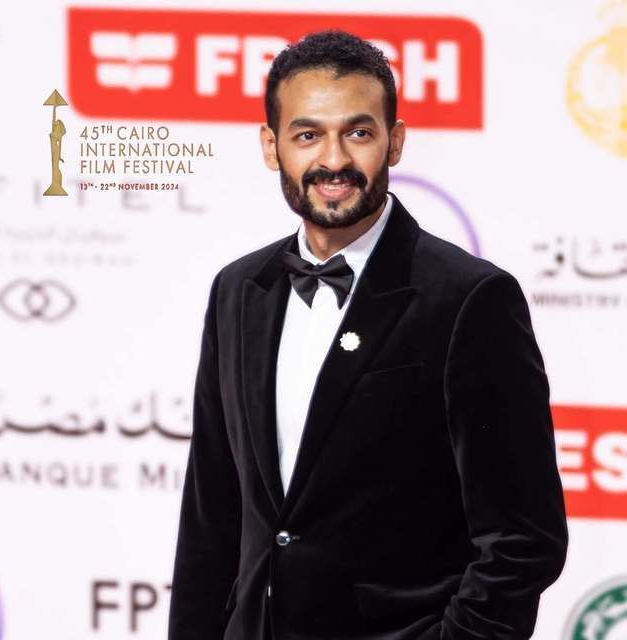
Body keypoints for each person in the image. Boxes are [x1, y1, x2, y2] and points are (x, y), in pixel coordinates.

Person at [168, 29, 568, 640]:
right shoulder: (239, 289)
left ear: (394, 141)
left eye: (358, 133)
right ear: (271, 146)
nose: (333, 161)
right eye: (307, 135)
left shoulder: (468, 299)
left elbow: (524, 539)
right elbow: (211, 513)